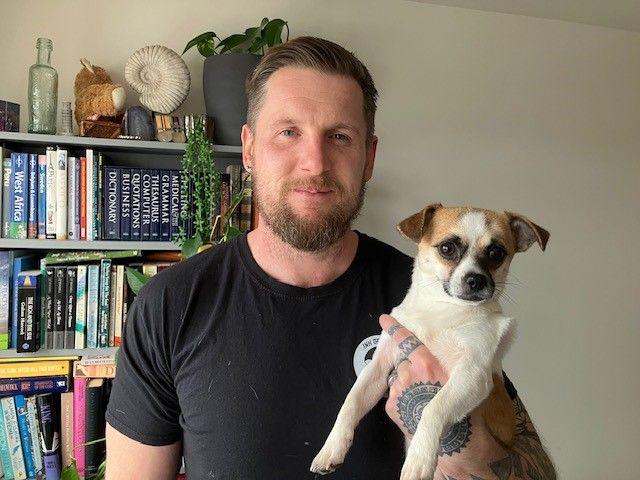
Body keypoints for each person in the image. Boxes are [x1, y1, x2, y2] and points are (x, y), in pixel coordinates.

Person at [105, 36, 556, 479]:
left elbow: (533, 471)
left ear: (369, 157)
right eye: (288, 132)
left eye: (339, 137)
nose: (314, 163)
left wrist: (445, 426)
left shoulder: (434, 293)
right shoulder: (170, 304)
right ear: (248, 149)